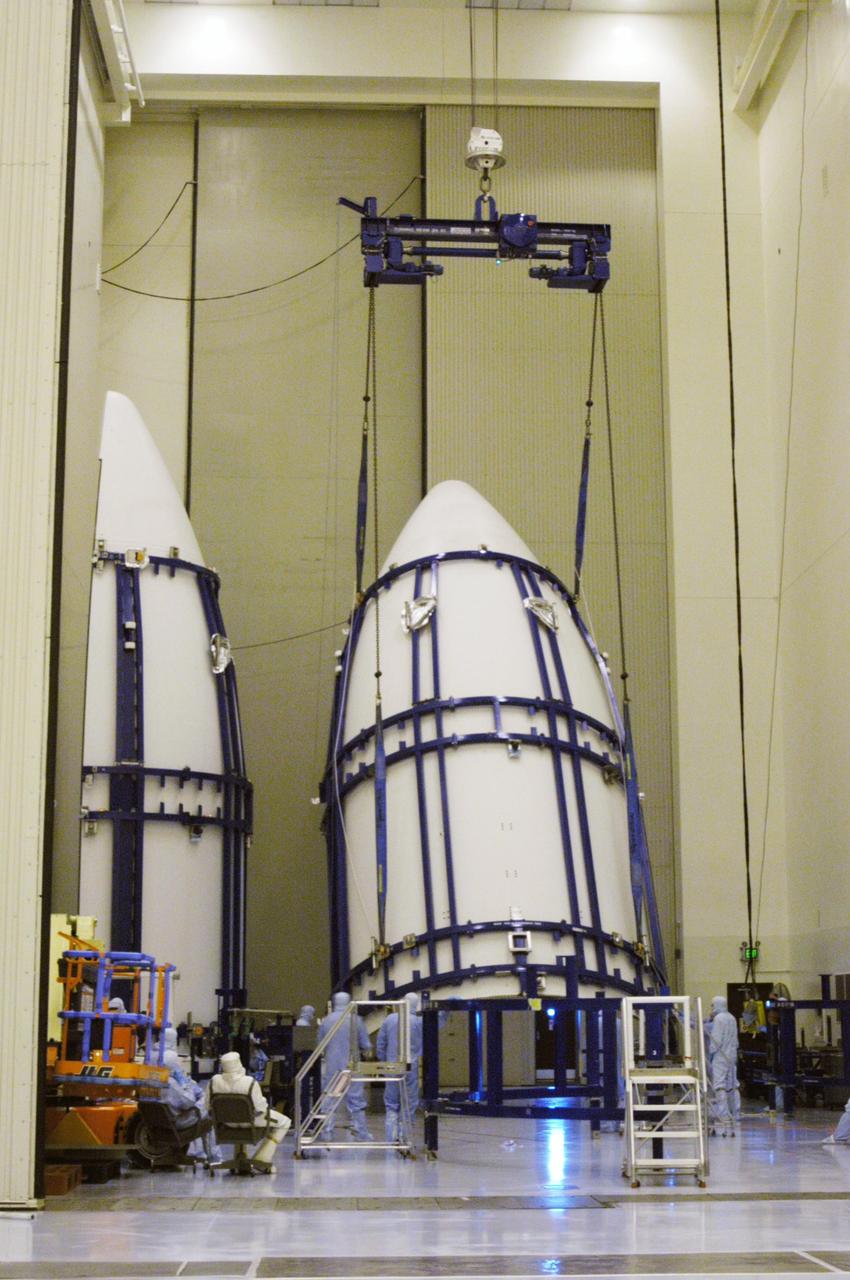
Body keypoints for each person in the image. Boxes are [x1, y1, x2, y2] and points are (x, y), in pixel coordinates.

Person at [208, 1050, 290, 1172]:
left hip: (226, 1123)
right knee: (285, 1122)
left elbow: (208, 1106)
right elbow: (261, 1108)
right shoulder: (249, 1082)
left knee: (238, 1116)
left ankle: (238, 1158)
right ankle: (262, 1159)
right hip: (251, 1122)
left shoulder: (214, 1082)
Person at [319, 992, 372, 1140]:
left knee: (330, 1099)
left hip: (332, 1067)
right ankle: (361, 1132)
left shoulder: (326, 1020)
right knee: (356, 1100)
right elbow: (365, 1044)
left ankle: (327, 1133)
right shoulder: (356, 1019)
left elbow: (319, 1045)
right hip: (352, 1066)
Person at [376, 992, 422, 1142]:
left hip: (391, 1066)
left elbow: (381, 1044)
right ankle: (405, 1138)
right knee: (409, 1103)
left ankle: (391, 1138)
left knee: (391, 1104)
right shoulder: (418, 1022)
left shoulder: (390, 1019)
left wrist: (383, 1062)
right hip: (410, 1067)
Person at [161, 1049, 221, 1163]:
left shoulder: (157, 1079)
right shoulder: (172, 1084)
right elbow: (188, 1101)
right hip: (178, 1121)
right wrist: (186, 1086)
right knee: (208, 1112)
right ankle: (214, 1159)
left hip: (163, 1122)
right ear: (173, 1064)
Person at [708, 995, 740, 1136]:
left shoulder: (719, 1019)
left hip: (721, 1056)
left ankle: (723, 1114)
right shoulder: (732, 1017)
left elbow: (716, 1039)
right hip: (732, 1055)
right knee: (733, 1085)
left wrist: (711, 1053)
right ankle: (736, 1113)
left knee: (719, 1085)